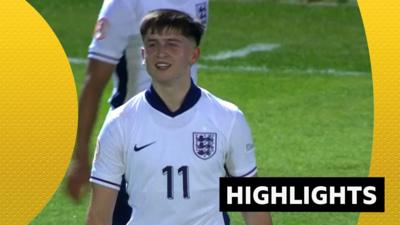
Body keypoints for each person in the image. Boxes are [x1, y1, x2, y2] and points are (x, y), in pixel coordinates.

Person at [87, 9, 273, 225]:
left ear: (194, 55)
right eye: (152, 44)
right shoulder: (119, 123)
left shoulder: (228, 118)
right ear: (143, 55)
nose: (161, 52)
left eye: (172, 44)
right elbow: (98, 217)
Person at [66, 1, 208, 224]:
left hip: (187, 136)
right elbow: (94, 83)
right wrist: (80, 156)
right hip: (134, 143)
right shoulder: (123, 4)